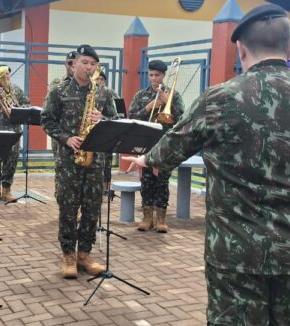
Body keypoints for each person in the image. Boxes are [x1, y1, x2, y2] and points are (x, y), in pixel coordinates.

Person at [125, 5, 290, 326]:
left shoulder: (220, 98)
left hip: (236, 252)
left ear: (240, 49)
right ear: (289, 48)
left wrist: (145, 159)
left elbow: (167, 152)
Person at [41, 44, 117, 279]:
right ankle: (68, 256)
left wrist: (102, 118)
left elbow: (115, 119)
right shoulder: (58, 91)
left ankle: (85, 254)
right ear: (74, 64)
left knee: (92, 208)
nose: (88, 67)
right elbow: (47, 120)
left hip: (95, 160)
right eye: (84, 62)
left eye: (93, 64)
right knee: (68, 208)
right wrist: (66, 138)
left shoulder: (104, 93)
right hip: (68, 160)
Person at [127, 60, 184, 232]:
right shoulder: (141, 95)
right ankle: (147, 218)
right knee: (146, 181)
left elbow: (182, 119)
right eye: (150, 75)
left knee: (162, 181)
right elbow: (131, 117)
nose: (153, 78)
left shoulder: (174, 95)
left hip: (165, 144)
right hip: (146, 144)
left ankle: (161, 219)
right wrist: (148, 107)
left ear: (164, 75)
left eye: (157, 75)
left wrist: (168, 103)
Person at [0, 64, 30, 203]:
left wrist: (15, 109)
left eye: (7, 73)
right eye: (3, 74)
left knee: (11, 161)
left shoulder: (16, 90)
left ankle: (7, 190)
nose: (6, 76)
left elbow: (27, 104)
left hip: (13, 132)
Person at [95, 70, 121, 194]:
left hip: (106, 132)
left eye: (102, 79)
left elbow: (120, 113)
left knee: (107, 162)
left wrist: (103, 118)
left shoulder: (110, 93)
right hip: (92, 132)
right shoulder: (88, 92)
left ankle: (106, 187)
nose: (99, 81)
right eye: (97, 79)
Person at [49, 51, 76, 160]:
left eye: (75, 63)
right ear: (65, 65)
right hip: (61, 137)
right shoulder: (57, 84)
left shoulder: (89, 84)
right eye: (69, 63)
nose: (72, 66)